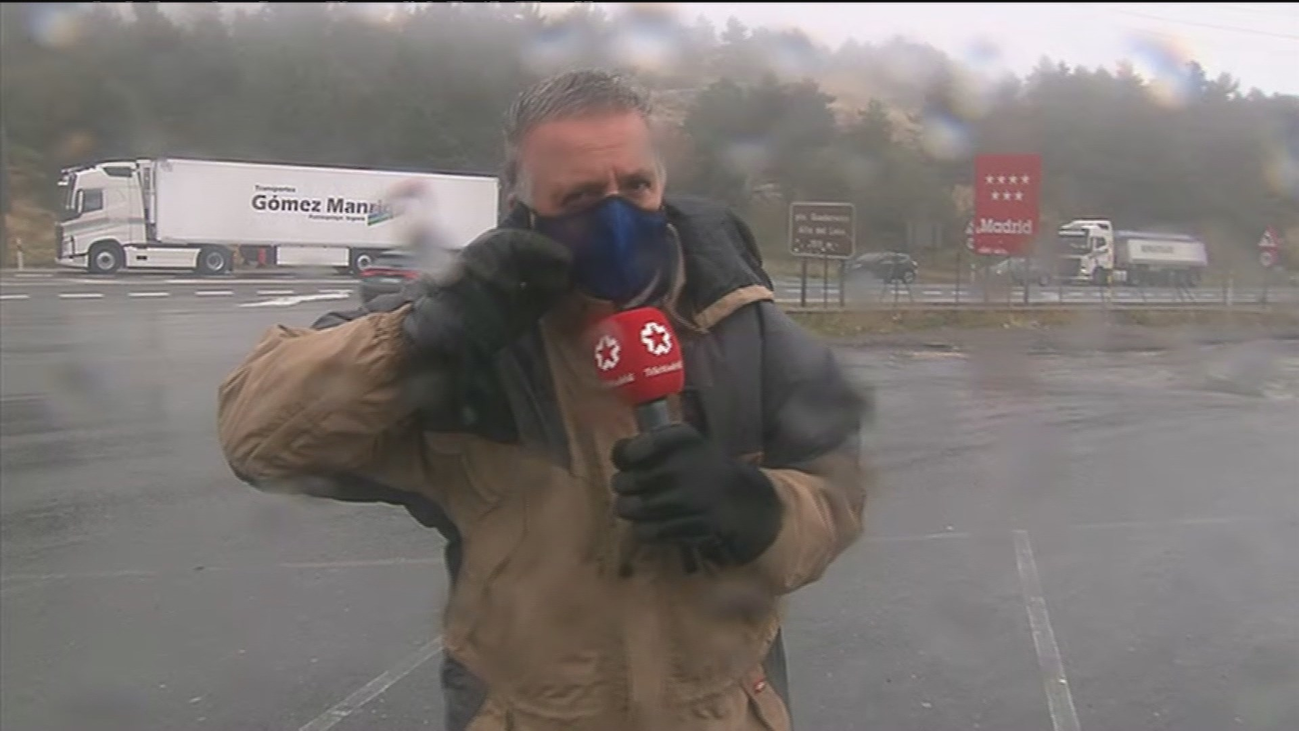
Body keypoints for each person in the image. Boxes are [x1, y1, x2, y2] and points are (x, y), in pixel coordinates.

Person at [217, 69, 871, 731]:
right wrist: (414, 341)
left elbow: (837, 495)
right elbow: (258, 439)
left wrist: (755, 507)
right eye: (581, 196)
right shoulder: (468, 331)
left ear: (660, 184)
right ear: (522, 206)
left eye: (635, 186)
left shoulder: (738, 322)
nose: (615, 216)